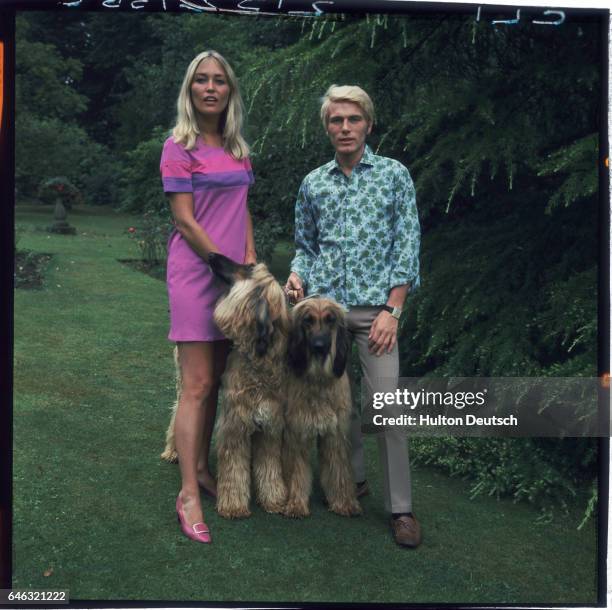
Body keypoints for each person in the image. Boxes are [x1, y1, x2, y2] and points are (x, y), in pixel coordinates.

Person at [284, 85, 422, 547]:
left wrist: (393, 309)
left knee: (387, 410)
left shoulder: (393, 175)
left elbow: (407, 246)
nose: (344, 128)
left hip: (378, 313)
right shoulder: (313, 182)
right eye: (335, 120)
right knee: (336, 408)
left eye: (353, 119)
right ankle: (353, 480)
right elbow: (305, 246)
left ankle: (401, 509)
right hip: (326, 318)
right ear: (326, 127)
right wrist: (297, 277)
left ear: (368, 124)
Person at [159, 50, 256, 544]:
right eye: (202, 80)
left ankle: (200, 467)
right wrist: (229, 267)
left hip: (237, 281)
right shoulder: (179, 145)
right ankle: (187, 494)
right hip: (198, 277)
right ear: (190, 89)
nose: (211, 88)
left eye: (220, 81)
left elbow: (243, 212)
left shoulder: (238, 148)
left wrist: (253, 270)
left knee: (217, 379)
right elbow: (185, 220)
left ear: (229, 91)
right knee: (196, 384)